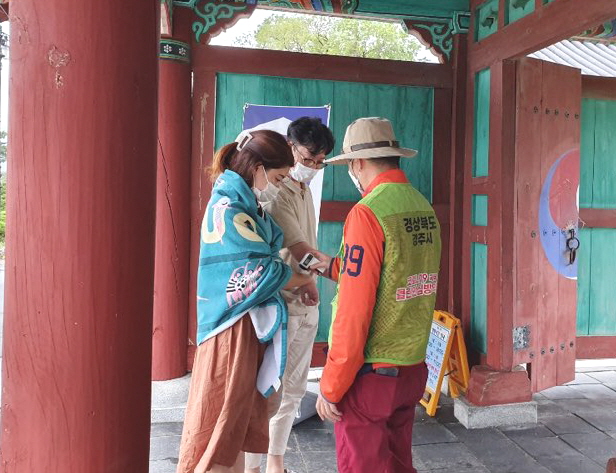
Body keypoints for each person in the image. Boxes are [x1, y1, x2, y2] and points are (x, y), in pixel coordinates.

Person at [177, 130, 317, 473]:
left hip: (246, 327)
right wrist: (305, 278)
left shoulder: (242, 201)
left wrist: (300, 280)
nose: (281, 183)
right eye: (279, 176)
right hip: (231, 330)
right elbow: (262, 270)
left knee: (236, 422)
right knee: (221, 425)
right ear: (258, 167)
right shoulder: (229, 207)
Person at [314, 117, 442, 473]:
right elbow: (397, 272)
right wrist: (332, 266)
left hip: (371, 375)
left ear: (357, 164)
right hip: (412, 366)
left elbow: (355, 310)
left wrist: (332, 384)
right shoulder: (422, 208)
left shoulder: (368, 212)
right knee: (400, 463)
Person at [245, 117, 335, 473]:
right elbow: (302, 251)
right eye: (308, 157)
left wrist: (311, 281)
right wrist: (342, 271)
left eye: (319, 161)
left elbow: (305, 250)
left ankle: (275, 462)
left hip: (304, 299)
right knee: (270, 391)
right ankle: (256, 464)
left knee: (295, 390)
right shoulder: (278, 191)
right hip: (281, 306)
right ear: (290, 146)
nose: (312, 167)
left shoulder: (302, 189)